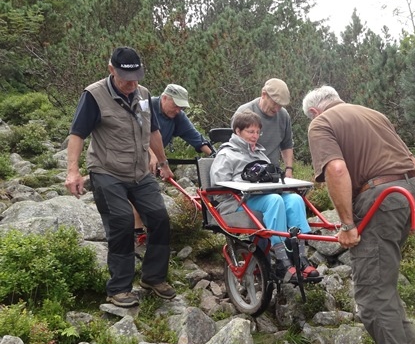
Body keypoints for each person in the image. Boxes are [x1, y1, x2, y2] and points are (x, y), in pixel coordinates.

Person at [303, 85, 415, 344]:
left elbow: (337, 169)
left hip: (379, 198)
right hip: (407, 192)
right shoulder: (374, 114)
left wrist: (347, 225)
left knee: (371, 292)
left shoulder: (321, 124)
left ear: (315, 111)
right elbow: (413, 161)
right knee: (384, 281)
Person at [65, 46, 176, 308]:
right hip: (106, 170)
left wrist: (163, 163)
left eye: (137, 77)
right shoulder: (94, 95)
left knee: (160, 217)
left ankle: (153, 278)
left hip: (138, 171)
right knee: (122, 221)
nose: (132, 83)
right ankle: (118, 288)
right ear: (111, 70)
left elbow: (153, 133)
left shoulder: (145, 95)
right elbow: (78, 134)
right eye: (126, 78)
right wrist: (72, 170)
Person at [211, 110, 319, 282]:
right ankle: (282, 262)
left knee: (295, 200)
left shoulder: (260, 154)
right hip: (237, 202)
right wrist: (247, 184)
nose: (255, 136)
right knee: (274, 201)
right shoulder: (226, 154)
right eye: (250, 132)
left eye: (257, 132)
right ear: (238, 132)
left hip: (262, 197)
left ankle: (300, 259)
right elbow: (218, 184)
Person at [133, 84, 213, 238]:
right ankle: (137, 230)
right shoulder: (147, 106)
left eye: (181, 108)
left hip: (156, 159)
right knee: (137, 187)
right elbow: (139, 134)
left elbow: (196, 138)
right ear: (164, 98)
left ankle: (146, 230)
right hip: (131, 153)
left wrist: (215, 156)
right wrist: (153, 155)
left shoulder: (177, 116)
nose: (178, 110)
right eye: (176, 106)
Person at [231, 78, 294, 178]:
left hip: (273, 173)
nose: (277, 109)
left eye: (280, 106)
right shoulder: (244, 112)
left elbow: (287, 145)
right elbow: (235, 147)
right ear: (264, 94)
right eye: (275, 103)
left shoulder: (284, 116)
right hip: (249, 173)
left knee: (295, 194)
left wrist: (289, 169)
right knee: (273, 195)